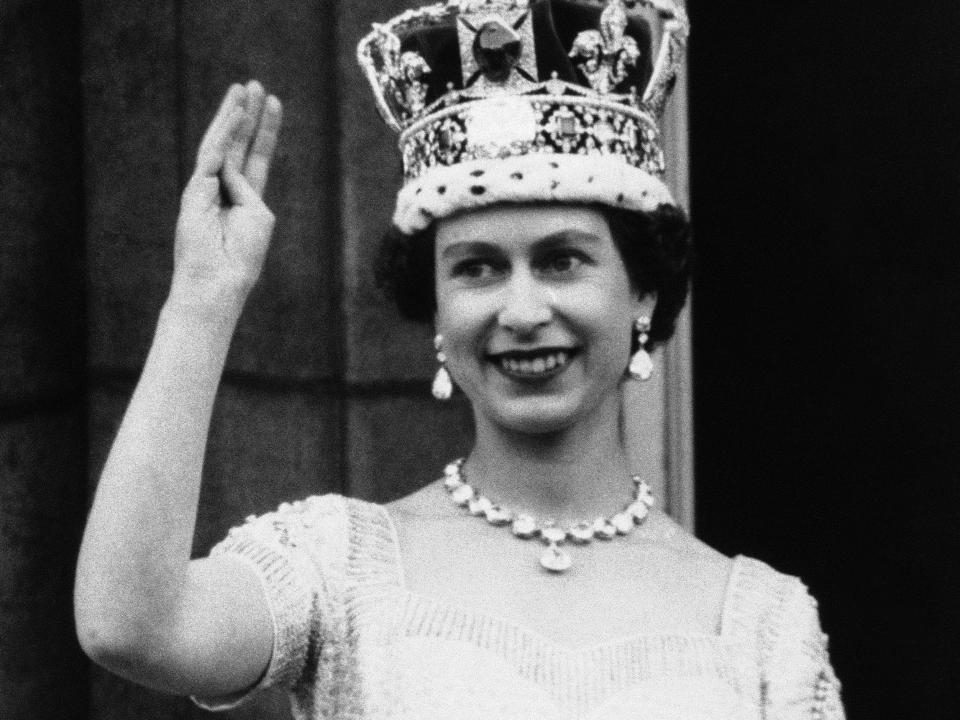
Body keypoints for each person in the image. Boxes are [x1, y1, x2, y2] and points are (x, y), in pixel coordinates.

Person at [74, 1, 845, 718]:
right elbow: (129, 623)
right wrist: (204, 299)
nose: (521, 311)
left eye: (562, 260)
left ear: (643, 290)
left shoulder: (760, 627)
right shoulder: (342, 568)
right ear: (436, 309)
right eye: (476, 268)